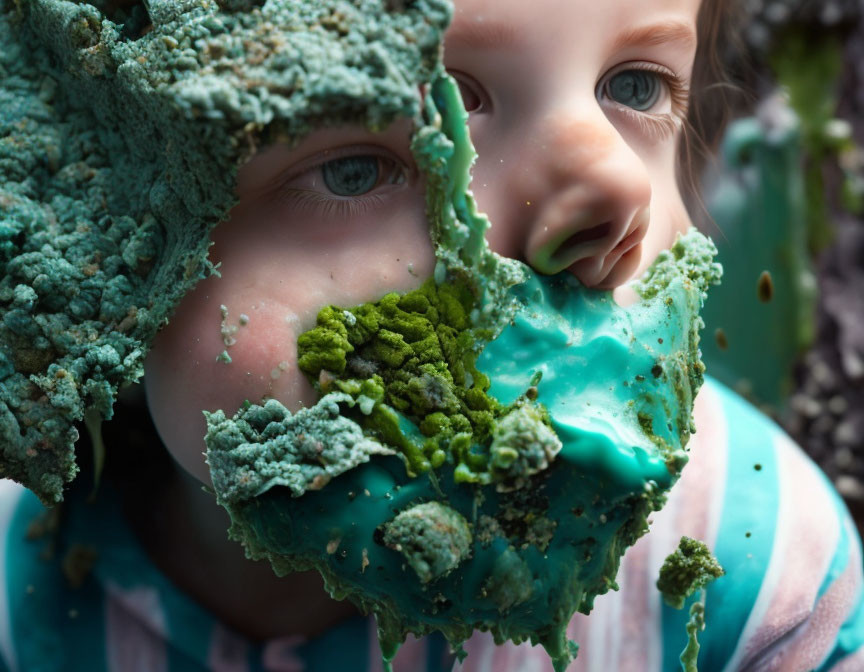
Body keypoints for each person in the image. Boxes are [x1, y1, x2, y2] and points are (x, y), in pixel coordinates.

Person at [1, 0, 862, 670]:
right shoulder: (16, 584)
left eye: (632, 87)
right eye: (359, 167)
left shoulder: (766, 582)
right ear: (93, 237)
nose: (612, 195)